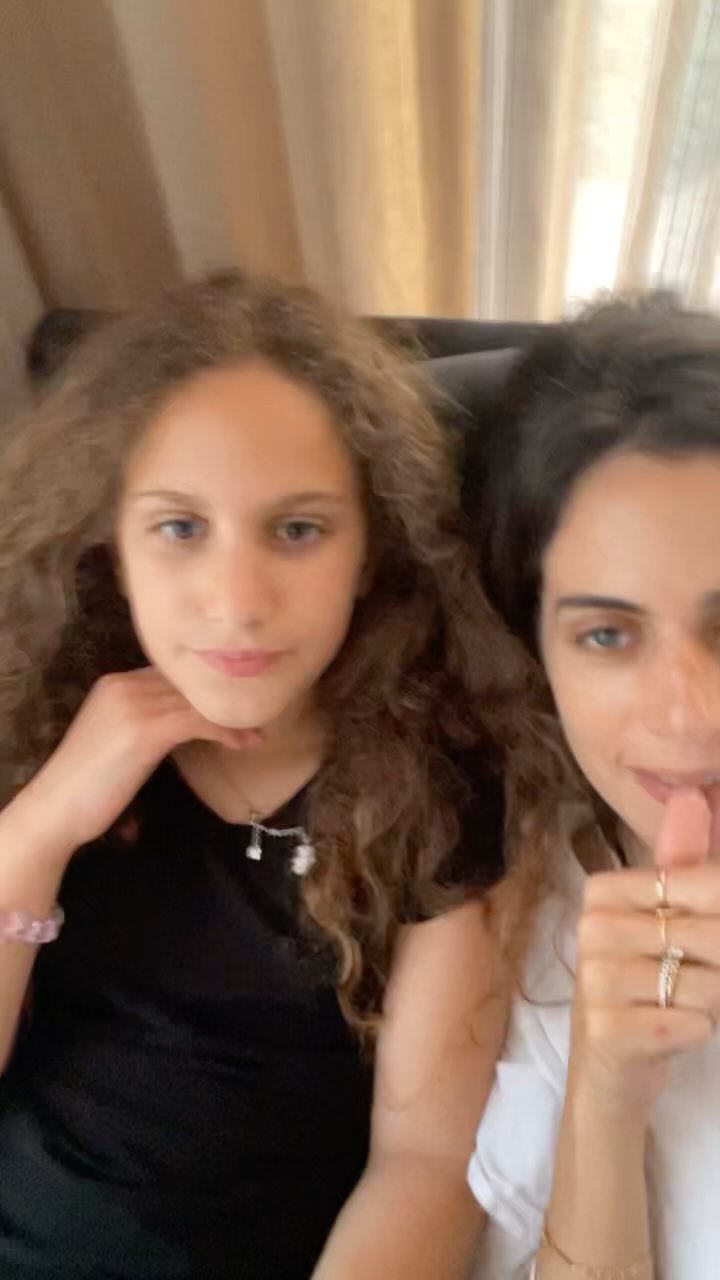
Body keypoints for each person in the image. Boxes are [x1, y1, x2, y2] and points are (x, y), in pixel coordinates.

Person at [0, 269, 523, 1280]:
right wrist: (42, 824)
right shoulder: (39, 722)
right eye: (179, 528)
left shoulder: (437, 787)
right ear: (112, 542)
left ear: (371, 551)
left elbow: (424, 1166)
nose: (237, 601)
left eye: (297, 530)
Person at [463, 299, 720, 1279]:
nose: (689, 716)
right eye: (607, 634)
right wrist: (603, 1099)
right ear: (538, 649)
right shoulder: (515, 923)